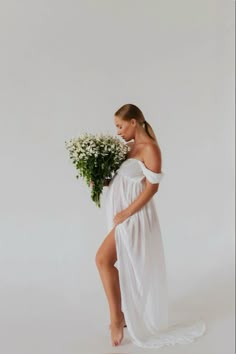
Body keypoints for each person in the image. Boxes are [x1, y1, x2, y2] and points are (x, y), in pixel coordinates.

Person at [95, 103, 206, 348]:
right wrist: (98, 179)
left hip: (135, 216)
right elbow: (119, 179)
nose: (118, 131)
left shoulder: (150, 149)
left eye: (120, 125)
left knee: (102, 259)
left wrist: (126, 212)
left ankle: (117, 318)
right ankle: (119, 315)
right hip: (121, 215)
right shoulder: (128, 148)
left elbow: (151, 188)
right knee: (105, 260)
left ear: (134, 122)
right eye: (116, 126)